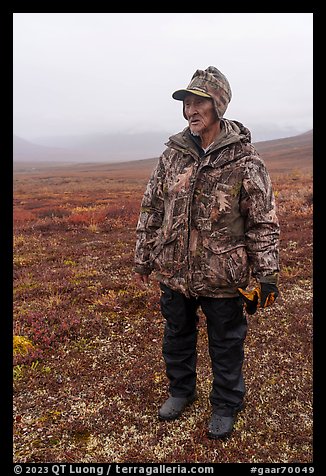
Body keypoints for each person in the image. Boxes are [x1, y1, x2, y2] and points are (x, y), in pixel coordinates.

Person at [134, 66, 280, 439]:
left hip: (223, 273)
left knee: (226, 342)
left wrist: (267, 275)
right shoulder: (172, 155)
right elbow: (152, 207)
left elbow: (262, 221)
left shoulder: (245, 160)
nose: (190, 110)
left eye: (199, 102)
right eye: (186, 103)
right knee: (176, 334)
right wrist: (144, 255)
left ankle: (227, 403)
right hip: (175, 270)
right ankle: (181, 391)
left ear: (219, 105)